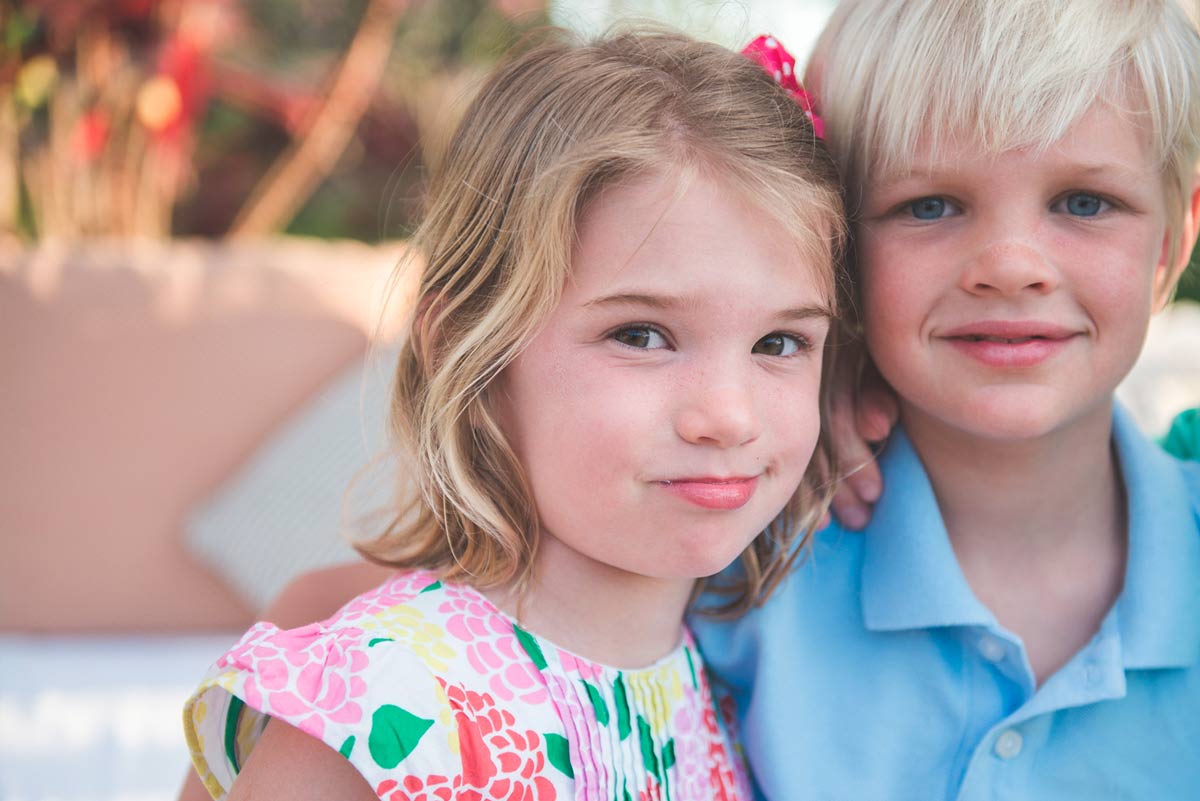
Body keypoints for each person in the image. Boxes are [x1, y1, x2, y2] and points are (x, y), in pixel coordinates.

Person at [181, 28, 847, 801]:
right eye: (641, 334)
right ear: (469, 345)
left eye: (780, 341)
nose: (729, 416)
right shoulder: (387, 700)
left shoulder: (741, 693)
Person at [691, 1, 1200, 798]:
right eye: (929, 205)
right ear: (837, 249)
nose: (1010, 264)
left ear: (1171, 240)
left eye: (1083, 201)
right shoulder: (736, 558)